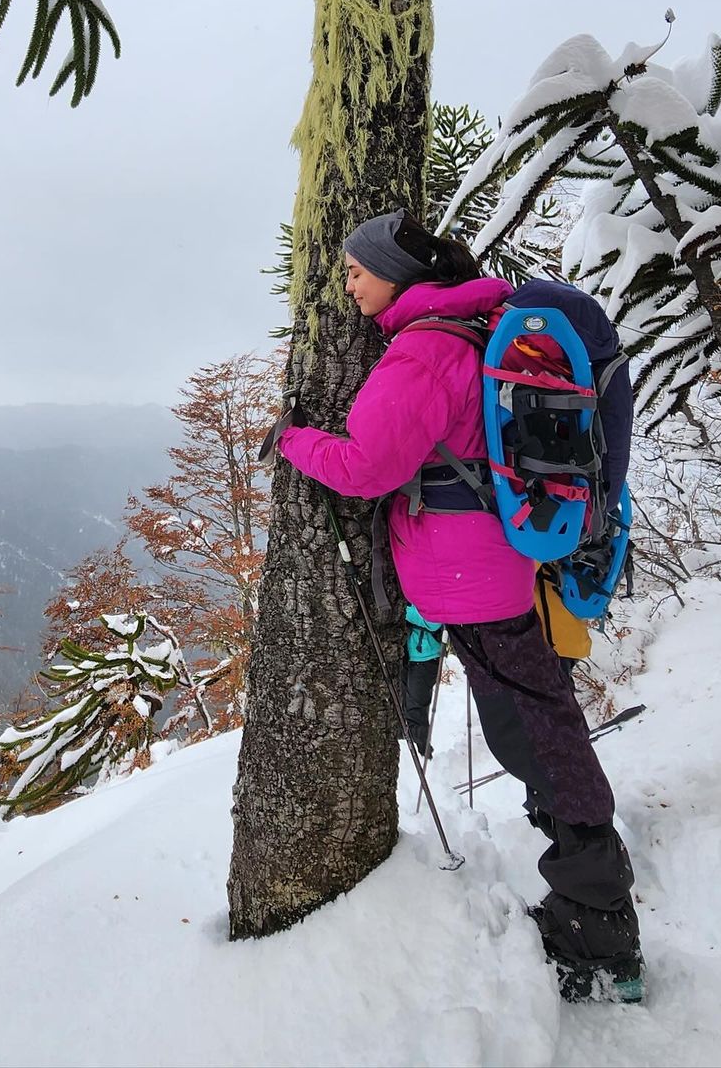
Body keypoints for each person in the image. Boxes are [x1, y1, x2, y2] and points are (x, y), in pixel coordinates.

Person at [273, 209, 642, 1004]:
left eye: (355, 269)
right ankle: (592, 895)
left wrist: (294, 441)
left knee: (533, 731)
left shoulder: (424, 349)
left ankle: (597, 914)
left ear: (397, 275)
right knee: (539, 720)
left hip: (468, 577)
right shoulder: (471, 327)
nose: (347, 282)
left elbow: (369, 464)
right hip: (495, 565)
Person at [401, 605, 443, 755]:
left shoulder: (430, 594)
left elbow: (434, 622)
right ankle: (413, 744)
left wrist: (401, 609)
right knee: (404, 702)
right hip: (407, 656)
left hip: (426, 657)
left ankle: (425, 752)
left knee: (415, 706)